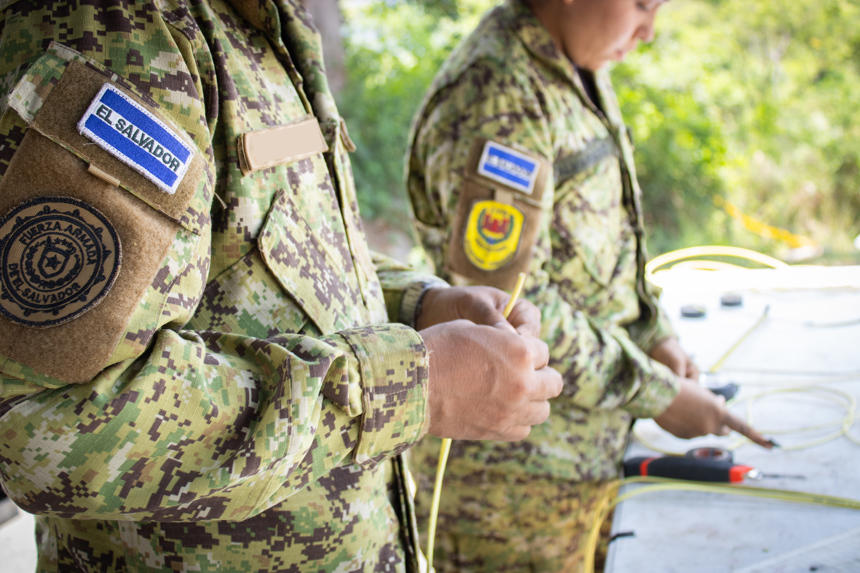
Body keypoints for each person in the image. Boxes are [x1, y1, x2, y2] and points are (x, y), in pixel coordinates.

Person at [0, 1, 563, 571]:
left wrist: (415, 304)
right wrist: (407, 388)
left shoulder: (268, 21)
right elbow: (45, 420)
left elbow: (249, 251)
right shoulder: (126, 31)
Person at [405, 0, 771, 570]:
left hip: (584, 461)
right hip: (511, 494)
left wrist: (654, 334)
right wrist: (657, 392)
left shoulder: (577, 64)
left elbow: (606, 242)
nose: (649, 30)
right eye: (642, 4)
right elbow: (512, 309)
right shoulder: (500, 96)